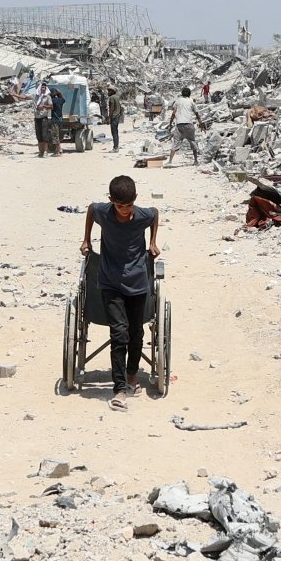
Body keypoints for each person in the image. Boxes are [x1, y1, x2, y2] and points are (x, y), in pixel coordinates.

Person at [80, 175, 160, 409]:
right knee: (119, 333)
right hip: (109, 282)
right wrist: (86, 240)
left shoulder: (143, 216)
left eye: (128, 205)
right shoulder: (104, 212)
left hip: (137, 281)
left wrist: (153, 242)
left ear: (134, 200)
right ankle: (119, 388)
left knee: (136, 332)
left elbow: (155, 213)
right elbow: (90, 209)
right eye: (119, 205)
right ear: (111, 201)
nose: (124, 211)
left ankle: (132, 374)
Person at [166, 86, 199, 167]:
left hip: (180, 125)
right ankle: (195, 161)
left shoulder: (177, 101)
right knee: (192, 141)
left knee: (176, 142)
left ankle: (170, 161)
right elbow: (197, 113)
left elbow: (173, 113)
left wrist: (170, 124)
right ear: (189, 94)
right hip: (189, 124)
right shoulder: (191, 102)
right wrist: (201, 122)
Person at [32, 82, 55, 157]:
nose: (43, 89)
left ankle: (45, 151)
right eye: (42, 87)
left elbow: (51, 107)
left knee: (45, 135)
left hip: (44, 118)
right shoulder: (36, 96)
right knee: (39, 136)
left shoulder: (47, 97)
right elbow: (25, 97)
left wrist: (44, 106)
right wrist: (15, 95)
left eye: (44, 87)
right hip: (37, 118)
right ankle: (40, 151)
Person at [48, 83, 67, 156]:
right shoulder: (61, 100)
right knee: (58, 136)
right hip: (60, 120)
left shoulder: (52, 101)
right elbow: (63, 98)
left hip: (55, 120)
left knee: (55, 136)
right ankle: (57, 150)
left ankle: (58, 151)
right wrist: (59, 92)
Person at [105, 84, 123, 151]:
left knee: (114, 132)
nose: (108, 92)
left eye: (109, 91)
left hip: (114, 117)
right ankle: (116, 146)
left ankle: (115, 147)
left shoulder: (111, 98)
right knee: (116, 132)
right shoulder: (117, 97)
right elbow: (120, 107)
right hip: (117, 116)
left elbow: (111, 109)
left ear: (112, 91)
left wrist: (109, 118)